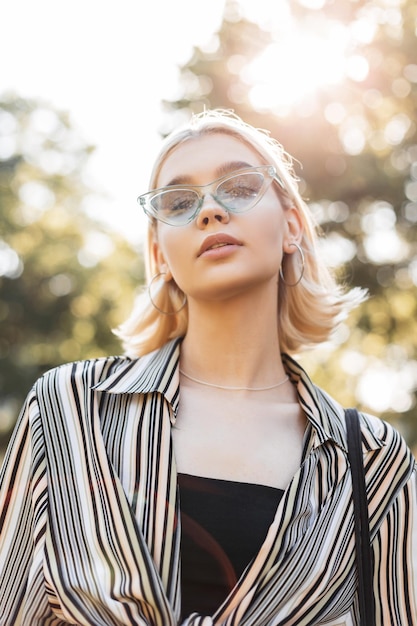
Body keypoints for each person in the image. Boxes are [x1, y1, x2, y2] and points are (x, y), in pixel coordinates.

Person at [0, 109, 416, 626]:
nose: (210, 211)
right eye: (179, 202)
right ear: (160, 252)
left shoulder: (373, 463)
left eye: (238, 187)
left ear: (291, 227)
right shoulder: (67, 411)